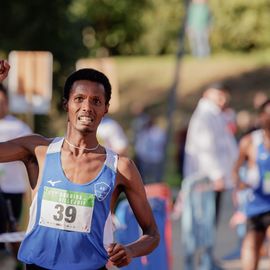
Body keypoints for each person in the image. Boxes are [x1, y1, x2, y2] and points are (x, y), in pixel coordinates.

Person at [0, 60, 160, 270]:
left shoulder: (120, 167)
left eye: (96, 101)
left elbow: (152, 233)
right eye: (79, 99)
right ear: (66, 104)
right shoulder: (38, 150)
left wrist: (131, 250)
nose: (87, 107)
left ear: (105, 109)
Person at [184, 82, 238, 224]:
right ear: (207, 94)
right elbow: (206, 148)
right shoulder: (205, 115)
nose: (223, 98)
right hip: (208, 177)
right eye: (219, 94)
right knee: (206, 221)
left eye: (224, 94)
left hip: (214, 175)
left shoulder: (216, 114)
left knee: (211, 220)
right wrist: (216, 174)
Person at [233, 99, 270, 270]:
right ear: (262, 117)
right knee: (251, 246)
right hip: (256, 204)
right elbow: (235, 170)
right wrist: (240, 184)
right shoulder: (250, 142)